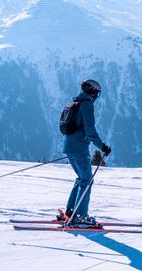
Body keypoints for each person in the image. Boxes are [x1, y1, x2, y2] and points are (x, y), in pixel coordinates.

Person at [57, 79, 111, 226]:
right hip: (80, 148)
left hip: (69, 146)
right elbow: (90, 131)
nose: (97, 96)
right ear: (92, 91)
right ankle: (80, 216)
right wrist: (103, 146)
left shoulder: (76, 102)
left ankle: (70, 212)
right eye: (97, 93)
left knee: (82, 178)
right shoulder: (86, 105)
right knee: (86, 180)